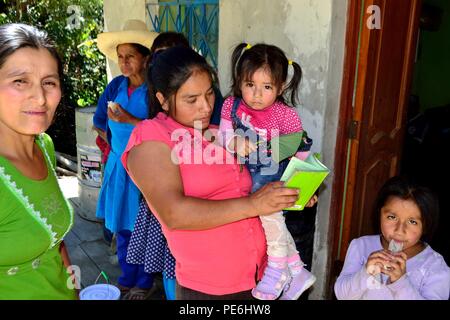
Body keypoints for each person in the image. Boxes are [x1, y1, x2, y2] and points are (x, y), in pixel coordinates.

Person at [121, 46, 300, 299]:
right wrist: (254, 204)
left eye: (209, 94)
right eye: (191, 99)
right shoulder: (153, 136)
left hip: (262, 277)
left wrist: (290, 192)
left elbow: (260, 179)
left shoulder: (220, 132)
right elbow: (174, 213)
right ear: (162, 99)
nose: (205, 107)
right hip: (210, 288)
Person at [218, 43, 317, 300]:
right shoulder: (231, 105)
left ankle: (276, 271)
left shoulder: (286, 116)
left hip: (273, 179)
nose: (257, 94)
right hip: (244, 181)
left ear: (281, 87)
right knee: (275, 223)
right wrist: (234, 142)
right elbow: (223, 135)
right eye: (250, 84)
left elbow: (301, 154)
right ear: (240, 81)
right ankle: (296, 269)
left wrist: (305, 190)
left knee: (271, 220)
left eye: (267, 87)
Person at [0, 23, 76, 299]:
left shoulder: (43, 145)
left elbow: (57, 244)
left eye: (49, 82)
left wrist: (74, 290)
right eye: (20, 81)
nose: (41, 98)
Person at [94, 19, 158, 299]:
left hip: (146, 167)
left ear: (145, 58)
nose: (124, 62)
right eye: (120, 57)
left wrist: (131, 120)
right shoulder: (116, 86)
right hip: (119, 165)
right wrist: (110, 148)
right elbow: (100, 122)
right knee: (122, 223)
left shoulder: (157, 90)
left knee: (143, 224)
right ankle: (126, 276)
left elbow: (162, 128)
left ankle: (143, 281)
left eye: (130, 56)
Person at [125, 31, 192, 301]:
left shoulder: (205, 97)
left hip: (194, 196)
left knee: (185, 262)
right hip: (165, 200)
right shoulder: (153, 98)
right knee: (169, 262)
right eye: (160, 54)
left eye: (174, 52)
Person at [334, 176, 450, 300]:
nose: (399, 230)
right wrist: (365, 273)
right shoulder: (361, 246)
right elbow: (342, 295)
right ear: (379, 213)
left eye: (412, 222)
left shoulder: (434, 265)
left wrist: (401, 282)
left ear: (426, 225)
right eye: (392, 217)